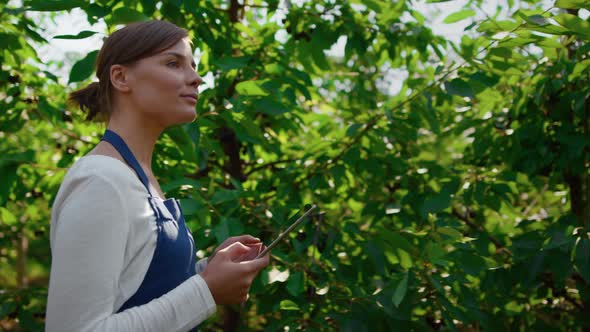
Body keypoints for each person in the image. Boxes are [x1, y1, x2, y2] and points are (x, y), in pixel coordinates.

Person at [45, 20, 270, 332]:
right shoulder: (102, 181)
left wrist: (210, 271)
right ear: (121, 77)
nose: (196, 78)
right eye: (173, 63)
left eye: (193, 66)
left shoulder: (136, 177)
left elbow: (136, 290)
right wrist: (206, 290)